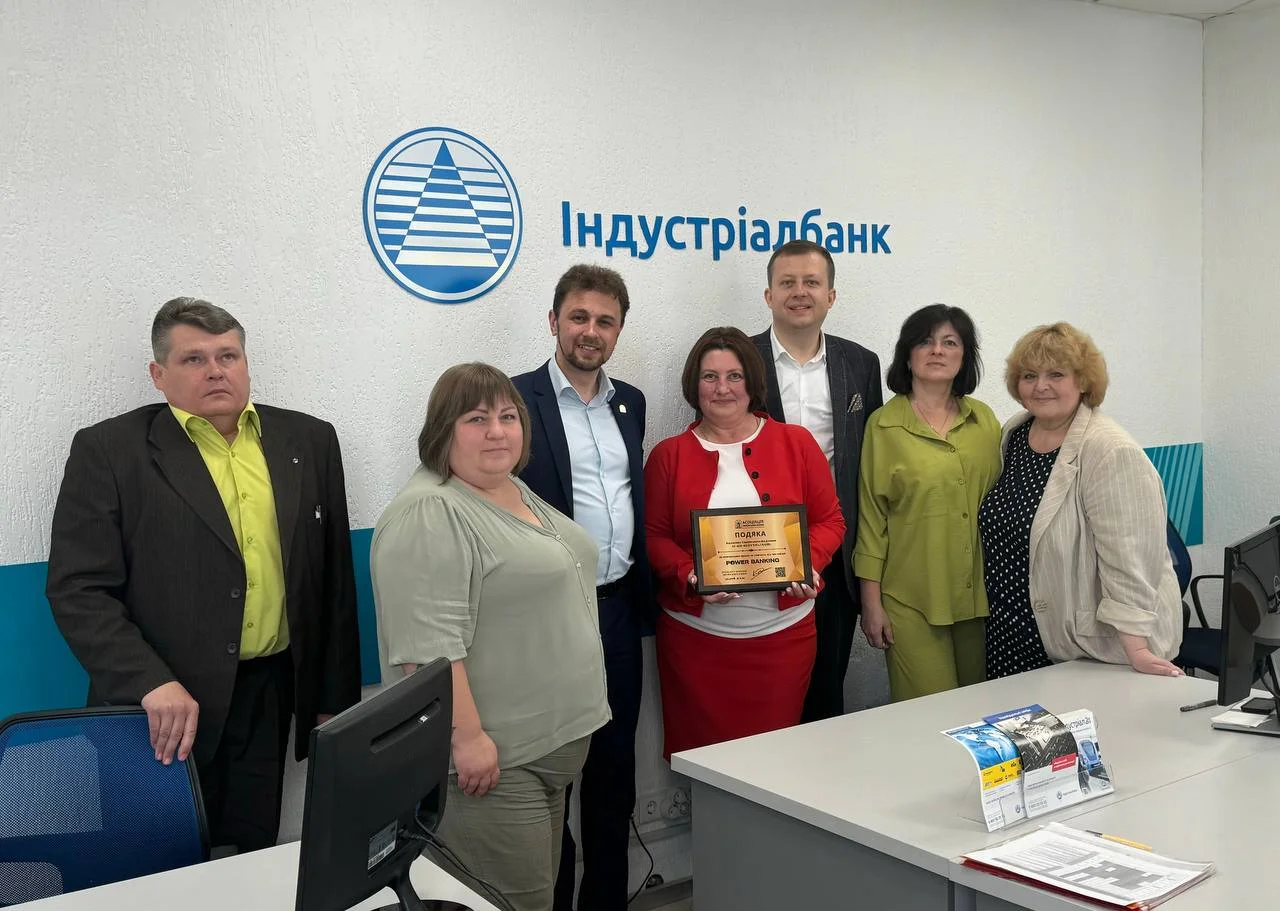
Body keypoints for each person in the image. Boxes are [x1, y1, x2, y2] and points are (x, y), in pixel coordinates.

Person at [46, 296, 360, 853]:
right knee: (157, 865)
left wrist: (334, 700)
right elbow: (78, 589)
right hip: (160, 708)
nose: (216, 371)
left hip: (268, 696)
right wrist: (149, 681)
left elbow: (332, 579)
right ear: (158, 375)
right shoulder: (110, 451)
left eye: (228, 356)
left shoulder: (308, 441)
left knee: (251, 852)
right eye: (194, 359)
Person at [372, 362, 610, 911]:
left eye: (508, 416)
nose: (497, 431)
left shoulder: (509, 487)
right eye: (477, 419)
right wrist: (466, 740)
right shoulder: (431, 510)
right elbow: (428, 651)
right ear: (443, 431)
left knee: (537, 897)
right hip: (491, 765)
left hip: (545, 751)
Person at [511, 265, 647, 911]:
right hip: (548, 621)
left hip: (616, 611)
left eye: (605, 321)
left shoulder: (631, 402)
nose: (591, 331)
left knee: (614, 775)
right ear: (554, 321)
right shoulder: (515, 401)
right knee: (553, 779)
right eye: (579, 317)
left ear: (619, 330)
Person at [644, 327, 845, 760]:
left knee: (772, 763)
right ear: (694, 384)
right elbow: (654, 538)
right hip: (696, 648)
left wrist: (807, 564)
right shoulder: (667, 456)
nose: (723, 388)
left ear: (752, 382)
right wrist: (691, 575)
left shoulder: (797, 443)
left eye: (734, 376)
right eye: (710, 376)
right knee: (704, 764)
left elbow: (831, 520)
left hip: (782, 644)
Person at [978, 322, 1182, 678]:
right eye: (1029, 375)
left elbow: (1130, 561)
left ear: (1084, 381)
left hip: (1080, 647)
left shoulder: (1110, 451)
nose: (1040, 386)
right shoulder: (1015, 432)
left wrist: (1136, 649)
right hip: (1008, 633)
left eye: (1056, 374)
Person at [751, 239, 883, 721]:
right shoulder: (738, 359)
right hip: (758, 551)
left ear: (831, 296)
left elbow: (869, 462)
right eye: (787, 282)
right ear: (769, 295)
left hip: (835, 552)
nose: (799, 292)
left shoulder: (862, 364)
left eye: (811, 282)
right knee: (767, 696)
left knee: (826, 690)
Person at [854, 305, 1001, 701]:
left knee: (981, 714)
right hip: (911, 600)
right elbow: (872, 522)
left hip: (980, 599)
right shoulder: (883, 426)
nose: (937, 350)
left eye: (950, 342)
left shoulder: (985, 421)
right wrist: (871, 604)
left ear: (964, 356)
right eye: (925, 341)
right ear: (907, 355)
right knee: (929, 718)